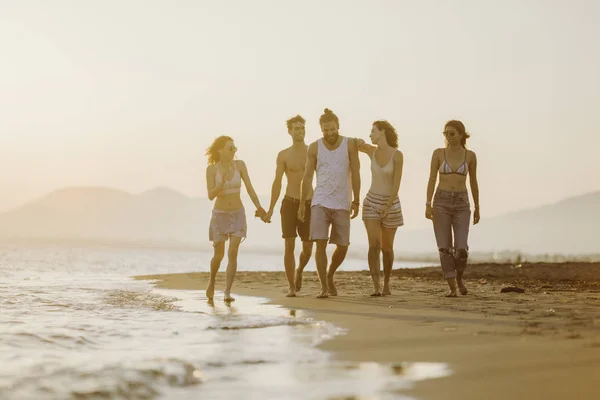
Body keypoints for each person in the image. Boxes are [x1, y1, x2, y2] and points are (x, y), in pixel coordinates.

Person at [298, 108, 361, 298]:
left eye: (332, 129)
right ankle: (324, 287)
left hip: (342, 202)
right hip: (320, 201)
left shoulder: (349, 144)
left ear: (338, 127)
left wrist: (357, 199)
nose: (329, 133)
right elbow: (307, 176)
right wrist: (302, 203)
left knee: (343, 246)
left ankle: (330, 274)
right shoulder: (314, 147)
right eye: (326, 130)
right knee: (320, 244)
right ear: (321, 129)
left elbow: (356, 173)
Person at [205, 136, 266, 302]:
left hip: (238, 213)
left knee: (233, 252)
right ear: (220, 150)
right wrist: (221, 182)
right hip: (220, 215)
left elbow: (250, 188)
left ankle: (227, 292)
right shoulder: (211, 169)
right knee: (219, 255)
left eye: (234, 147)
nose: (234, 150)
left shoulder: (240, 165)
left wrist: (259, 207)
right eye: (230, 148)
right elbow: (211, 195)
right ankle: (211, 281)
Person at [425, 120, 480, 297]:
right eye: (445, 134)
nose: (448, 137)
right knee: (444, 248)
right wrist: (428, 204)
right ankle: (452, 287)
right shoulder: (438, 154)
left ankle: (459, 277)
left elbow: (473, 182)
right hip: (441, 201)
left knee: (461, 248)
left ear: (461, 135)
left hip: (462, 203)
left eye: (452, 133)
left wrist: (477, 206)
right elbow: (432, 179)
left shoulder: (470, 156)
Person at [265, 115, 314, 297]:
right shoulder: (283, 155)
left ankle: (299, 270)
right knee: (289, 244)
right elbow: (277, 182)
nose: (300, 131)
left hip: (309, 203)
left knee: (308, 247)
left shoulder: (313, 151)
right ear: (289, 131)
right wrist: (270, 208)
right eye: (296, 128)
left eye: (302, 128)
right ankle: (291, 286)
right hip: (289, 202)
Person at [354, 120, 404, 296]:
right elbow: (353, 144)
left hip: (391, 204)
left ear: (382, 132)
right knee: (374, 245)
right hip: (371, 203)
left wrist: (388, 205)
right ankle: (376, 285)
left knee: (387, 248)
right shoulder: (371, 151)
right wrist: (358, 141)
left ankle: (387, 284)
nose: (370, 134)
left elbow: (396, 184)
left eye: (373, 131)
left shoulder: (397, 155)